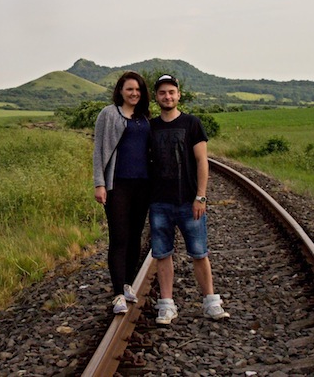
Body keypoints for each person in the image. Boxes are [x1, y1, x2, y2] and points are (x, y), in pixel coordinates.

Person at [149, 74, 230, 324]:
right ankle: (166, 305)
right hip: (159, 201)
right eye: (162, 93)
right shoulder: (150, 126)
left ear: (179, 94)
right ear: (156, 97)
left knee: (199, 252)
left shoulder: (192, 123)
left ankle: (210, 302)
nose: (167, 96)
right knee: (162, 254)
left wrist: (201, 197)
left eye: (171, 92)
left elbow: (201, 162)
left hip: (189, 201)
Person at [93, 71, 152, 315]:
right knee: (119, 237)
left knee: (135, 235)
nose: (134, 93)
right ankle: (117, 293)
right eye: (129, 89)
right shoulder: (109, 113)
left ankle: (128, 283)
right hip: (118, 185)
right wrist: (99, 183)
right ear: (120, 91)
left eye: (138, 90)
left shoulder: (144, 118)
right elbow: (98, 150)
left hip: (142, 185)